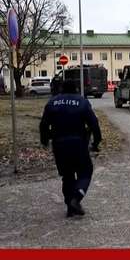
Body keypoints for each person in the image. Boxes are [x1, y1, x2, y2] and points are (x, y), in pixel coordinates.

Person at [40, 80, 102, 218]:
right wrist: (96, 142)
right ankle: (77, 197)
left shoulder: (52, 102)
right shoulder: (82, 102)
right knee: (85, 172)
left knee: (67, 176)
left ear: (61, 89)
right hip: (79, 144)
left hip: (59, 145)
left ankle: (70, 206)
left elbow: (44, 125)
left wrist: (44, 141)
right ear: (75, 89)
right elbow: (94, 123)